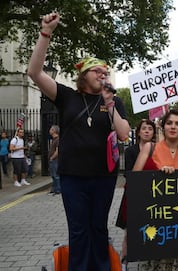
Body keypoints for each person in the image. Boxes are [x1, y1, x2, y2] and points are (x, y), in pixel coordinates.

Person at [27, 12, 130, 270]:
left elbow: (124, 133)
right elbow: (34, 72)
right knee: (79, 228)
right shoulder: (67, 96)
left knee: (98, 226)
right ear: (84, 74)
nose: (103, 74)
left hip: (104, 176)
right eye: (98, 71)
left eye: (106, 72)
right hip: (73, 175)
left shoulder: (114, 100)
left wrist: (110, 104)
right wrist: (45, 33)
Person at [132, 108, 178, 271]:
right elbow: (135, 179)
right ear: (163, 127)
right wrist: (158, 175)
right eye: (169, 123)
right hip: (156, 220)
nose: (173, 126)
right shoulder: (150, 148)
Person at [115, 119, 156, 270]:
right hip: (134, 193)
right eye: (144, 128)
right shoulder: (130, 151)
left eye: (150, 129)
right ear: (138, 132)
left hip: (152, 194)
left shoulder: (157, 149)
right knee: (129, 230)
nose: (146, 131)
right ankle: (124, 261)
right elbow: (128, 173)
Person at [48, 125, 60, 195]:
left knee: (56, 175)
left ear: (54, 131)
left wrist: (52, 158)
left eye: (51, 129)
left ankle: (58, 190)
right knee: (53, 175)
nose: (49, 130)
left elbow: (57, 151)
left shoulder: (58, 139)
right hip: (53, 160)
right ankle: (54, 189)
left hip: (55, 160)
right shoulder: (54, 139)